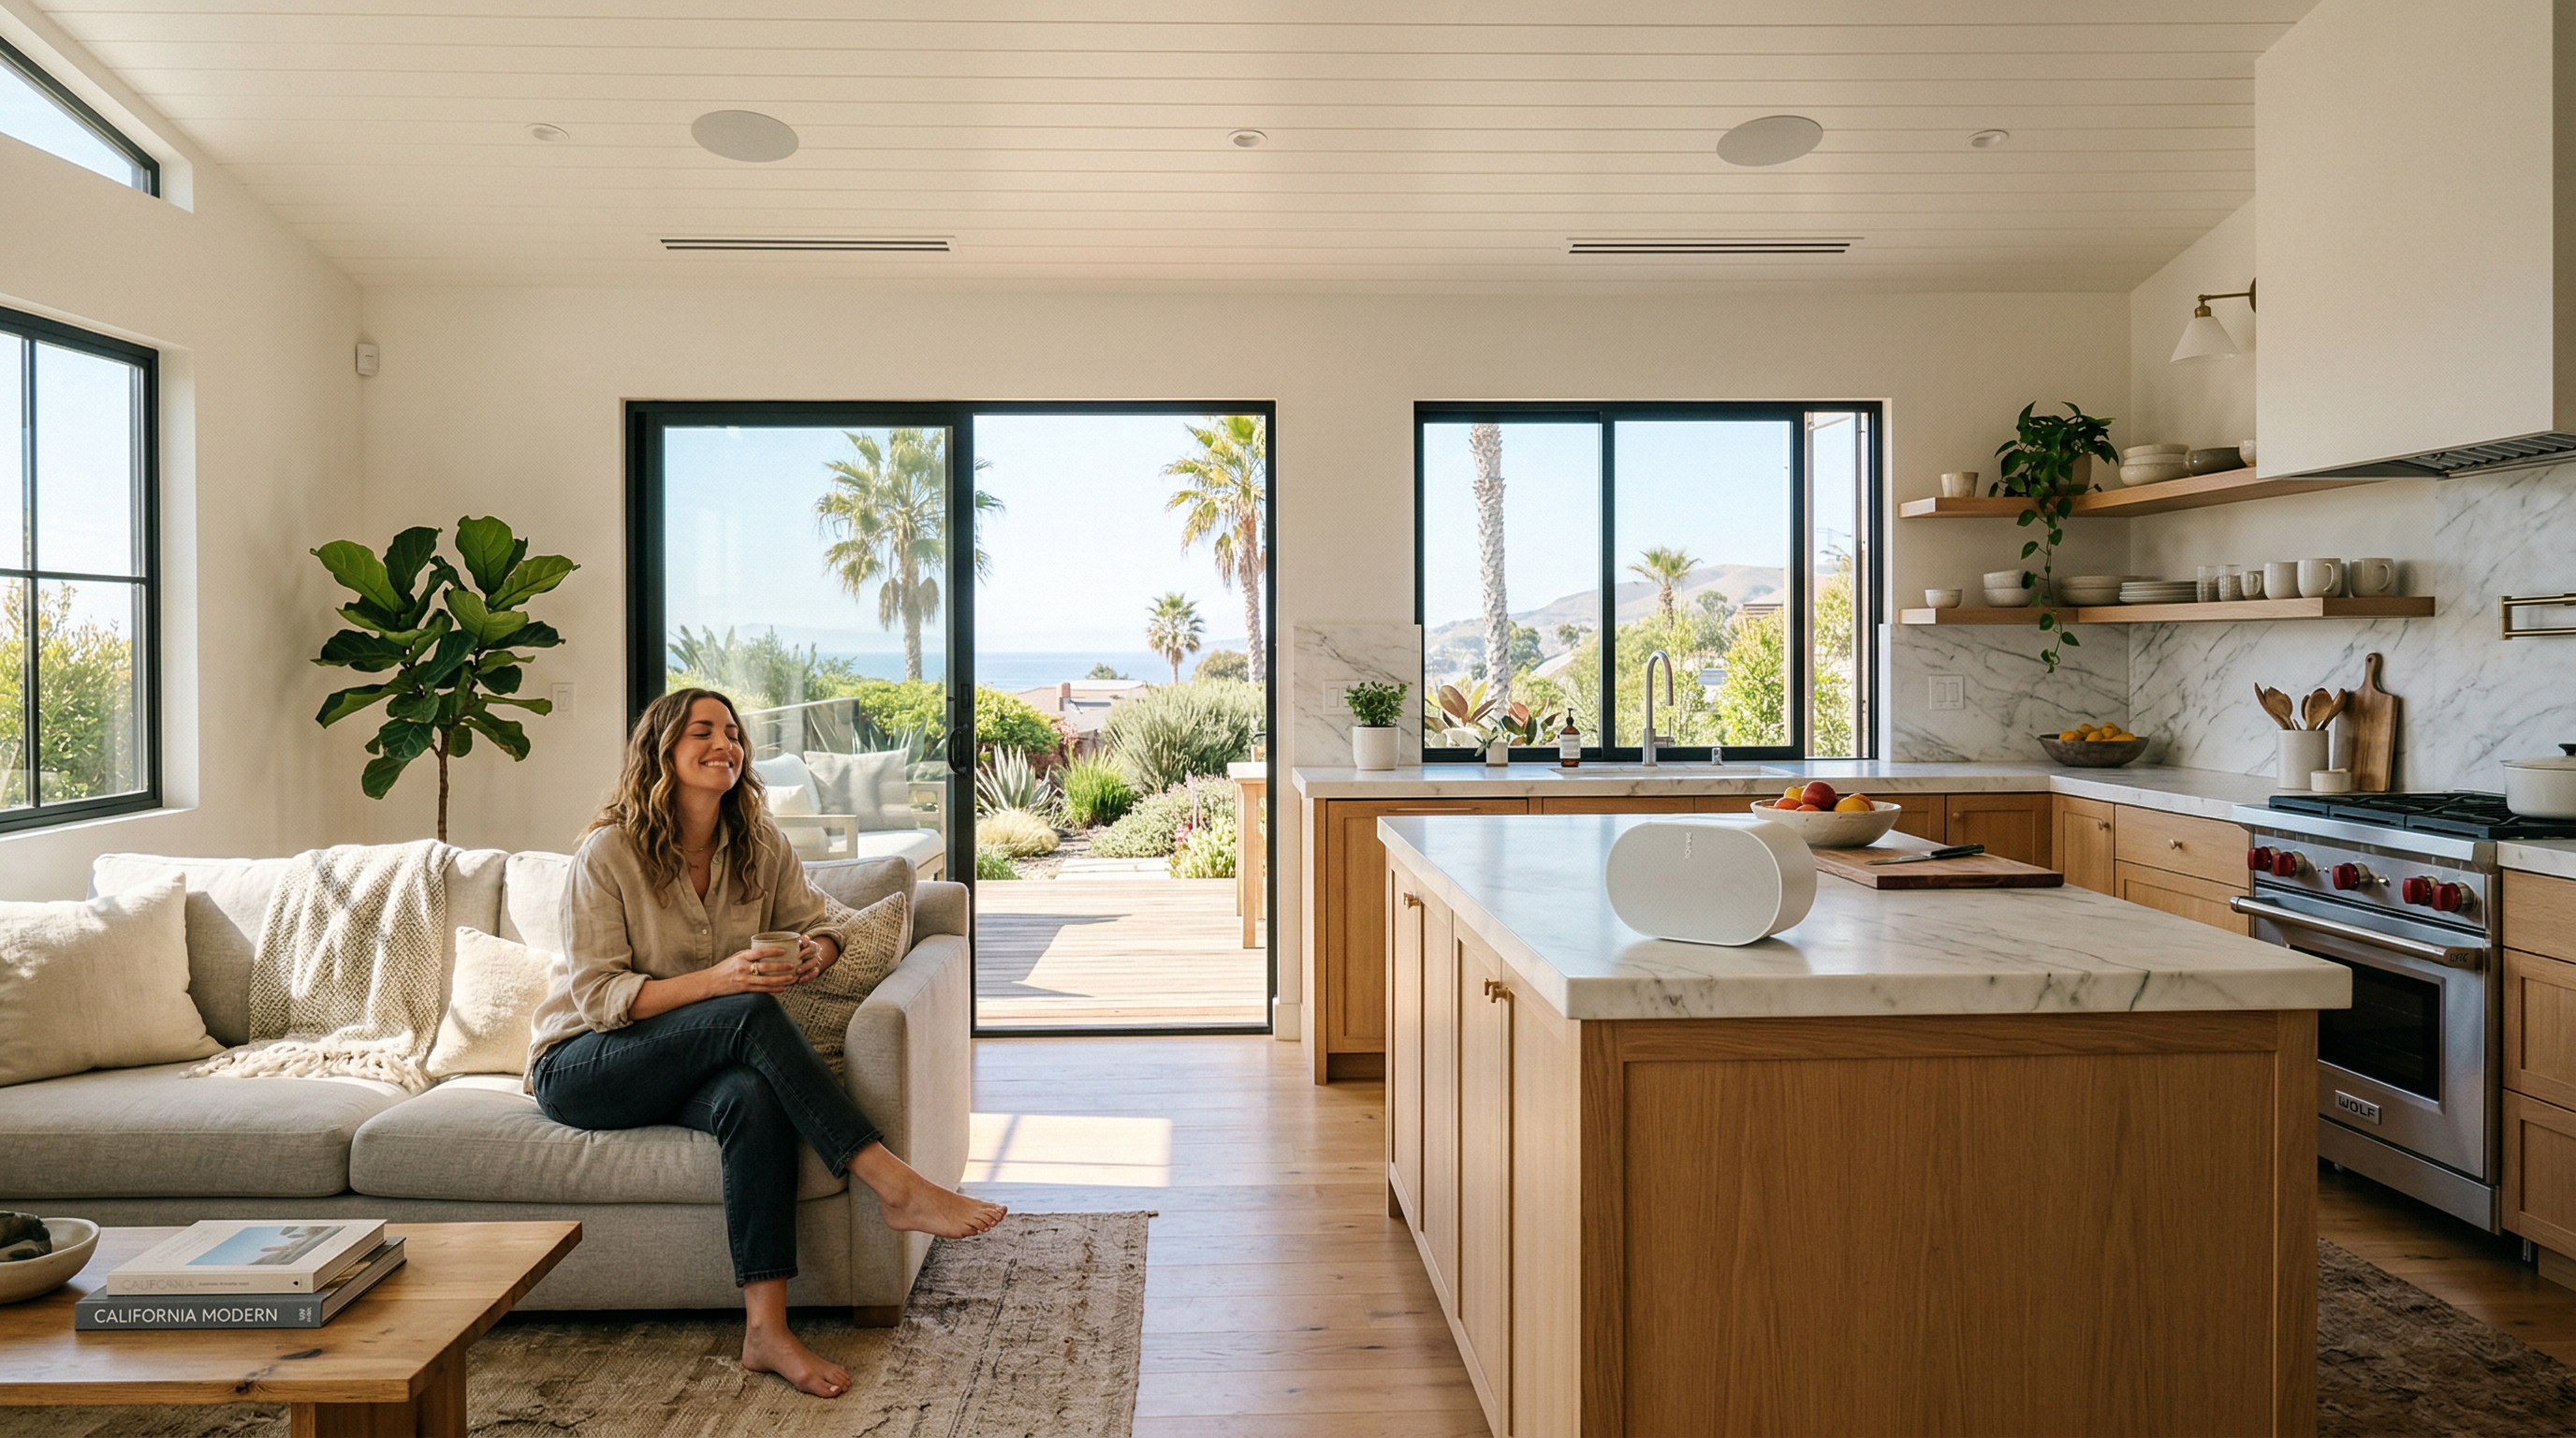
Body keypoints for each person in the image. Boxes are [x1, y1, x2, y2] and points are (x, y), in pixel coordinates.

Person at [525, 687, 1003, 1397]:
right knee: (747, 1009)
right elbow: (600, 999)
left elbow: (823, 920)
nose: (725, 745)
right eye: (702, 732)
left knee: (753, 1095)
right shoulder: (610, 853)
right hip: (587, 1065)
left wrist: (822, 950)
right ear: (663, 750)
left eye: (732, 733)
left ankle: (766, 1332)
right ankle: (890, 1180)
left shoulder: (758, 843)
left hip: (691, 1063)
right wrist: (720, 981)